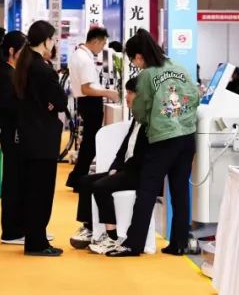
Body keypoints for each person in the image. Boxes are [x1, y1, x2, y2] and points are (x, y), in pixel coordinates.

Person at [108, 30, 201, 258]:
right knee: (180, 191)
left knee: (147, 190)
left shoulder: (147, 75)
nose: (135, 65)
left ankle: (134, 244)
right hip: (187, 136)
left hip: (162, 139)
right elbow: (196, 97)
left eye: (133, 60)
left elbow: (139, 111)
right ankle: (179, 243)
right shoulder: (179, 67)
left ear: (139, 56)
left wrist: (155, 118)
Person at [69, 76, 149, 255]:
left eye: (130, 93)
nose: (126, 97)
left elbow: (142, 156)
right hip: (125, 169)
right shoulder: (136, 119)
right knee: (84, 181)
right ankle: (89, 227)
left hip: (137, 173)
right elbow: (124, 149)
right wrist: (114, 167)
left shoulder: (150, 122)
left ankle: (112, 236)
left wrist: (120, 171)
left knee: (101, 186)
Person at [12, 20, 66, 257]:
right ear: (45, 40)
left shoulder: (25, 64)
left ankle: (36, 239)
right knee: (41, 192)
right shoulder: (43, 69)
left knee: (32, 189)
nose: (54, 43)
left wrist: (50, 103)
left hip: (29, 135)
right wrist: (51, 104)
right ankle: (37, 242)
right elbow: (60, 102)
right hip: (43, 137)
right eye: (52, 39)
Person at [66, 27, 121, 189]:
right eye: (103, 43)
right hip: (90, 102)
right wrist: (108, 93)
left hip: (86, 102)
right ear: (96, 41)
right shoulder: (84, 59)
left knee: (89, 143)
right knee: (90, 144)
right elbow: (86, 89)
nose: (103, 48)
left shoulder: (79, 55)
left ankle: (77, 178)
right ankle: (79, 179)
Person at [0, 30, 27, 245]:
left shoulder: (11, 73)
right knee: (13, 182)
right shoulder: (4, 75)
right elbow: (7, 107)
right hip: (12, 133)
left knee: (19, 181)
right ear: (13, 51)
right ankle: (11, 231)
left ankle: (20, 227)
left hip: (15, 133)